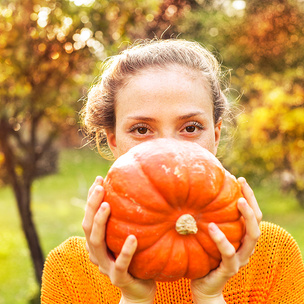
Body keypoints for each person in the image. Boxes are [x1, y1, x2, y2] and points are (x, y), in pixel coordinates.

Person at [41, 39, 304, 303]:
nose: (168, 148)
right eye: (141, 130)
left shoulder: (274, 254)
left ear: (215, 135)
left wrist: (211, 297)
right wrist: (134, 299)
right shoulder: (68, 272)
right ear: (113, 141)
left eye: (190, 128)